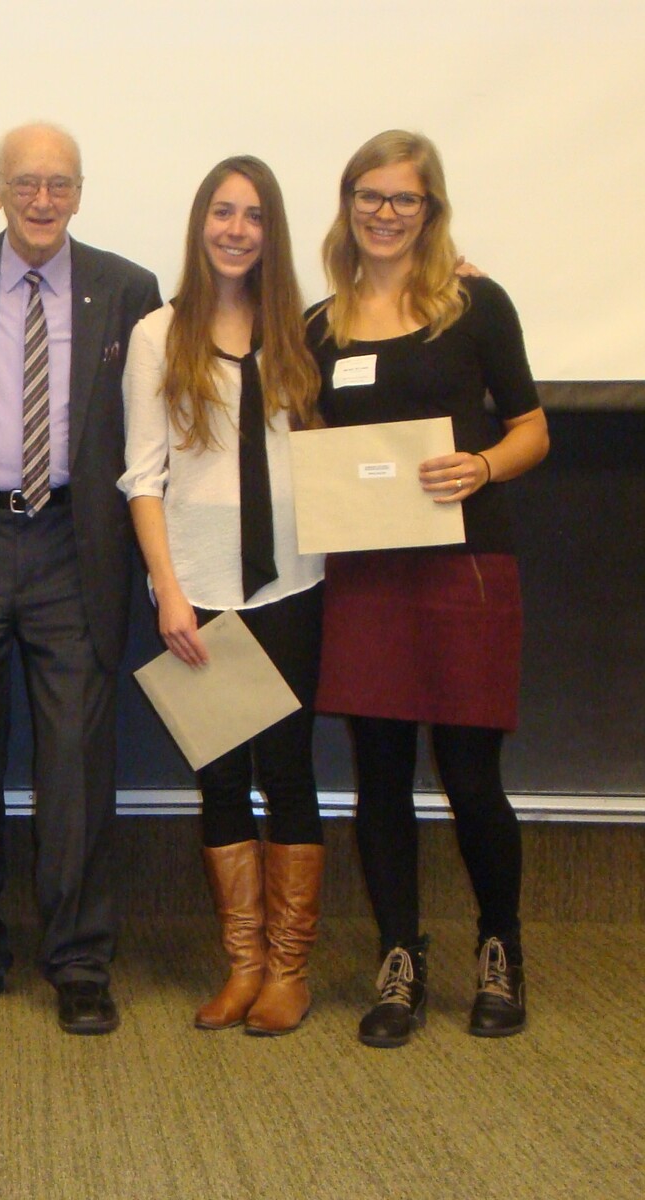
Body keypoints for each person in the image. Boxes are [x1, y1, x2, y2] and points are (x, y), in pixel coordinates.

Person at [0, 122, 160, 1032]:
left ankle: (81, 959)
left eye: (59, 184)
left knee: (78, 761)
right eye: (25, 184)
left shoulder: (129, 290)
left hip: (73, 543)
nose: (42, 200)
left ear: (80, 193)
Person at [307, 130, 548, 1047]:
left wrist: (482, 466)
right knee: (378, 778)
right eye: (369, 195)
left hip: (465, 567)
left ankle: (501, 947)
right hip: (366, 574)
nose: (384, 213)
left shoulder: (476, 306)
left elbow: (532, 431)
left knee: (472, 775)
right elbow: (308, 442)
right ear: (348, 203)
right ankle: (399, 957)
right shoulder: (319, 328)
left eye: (403, 199)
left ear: (430, 210)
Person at [119, 157, 326, 1035]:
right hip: (197, 588)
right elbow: (142, 475)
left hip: (293, 583)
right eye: (221, 212)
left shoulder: (310, 333)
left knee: (290, 773)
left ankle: (289, 969)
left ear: (271, 233)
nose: (236, 229)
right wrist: (166, 591)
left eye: (253, 216)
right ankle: (242, 965)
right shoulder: (157, 334)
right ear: (200, 223)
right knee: (221, 781)